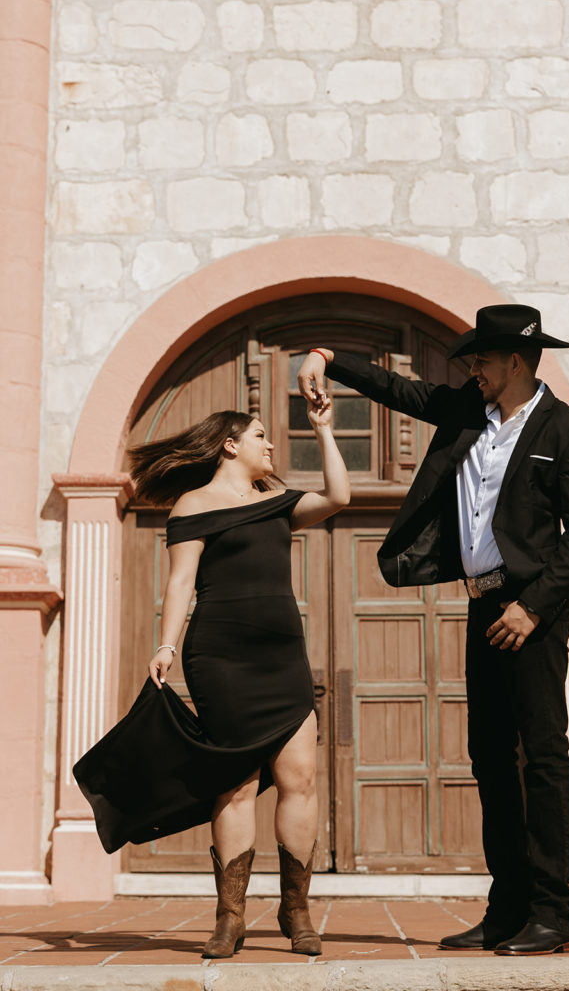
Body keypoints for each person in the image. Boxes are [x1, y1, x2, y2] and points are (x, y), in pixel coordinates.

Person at [298, 306, 569, 957]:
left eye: (480, 362)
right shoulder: (466, 411)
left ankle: (554, 914)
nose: (471, 370)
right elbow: (400, 391)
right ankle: (507, 908)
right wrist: (325, 355)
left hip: (530, 609)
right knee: (488, 757)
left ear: (515, 363)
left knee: (542, 758)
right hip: (480, 605)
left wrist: (535, 607)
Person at [126, 397, 350, 958]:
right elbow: (180, 583)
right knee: (237, 784)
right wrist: (166, 643)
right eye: (260, 436)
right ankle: (230, 916)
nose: (270, 445)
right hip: (220, 655)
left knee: (299, 778)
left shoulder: (276, 502)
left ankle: (295, 909)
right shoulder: (192, 505)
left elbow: (340, 497)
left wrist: (323, 430)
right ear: (230, 444)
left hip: (281, 653)